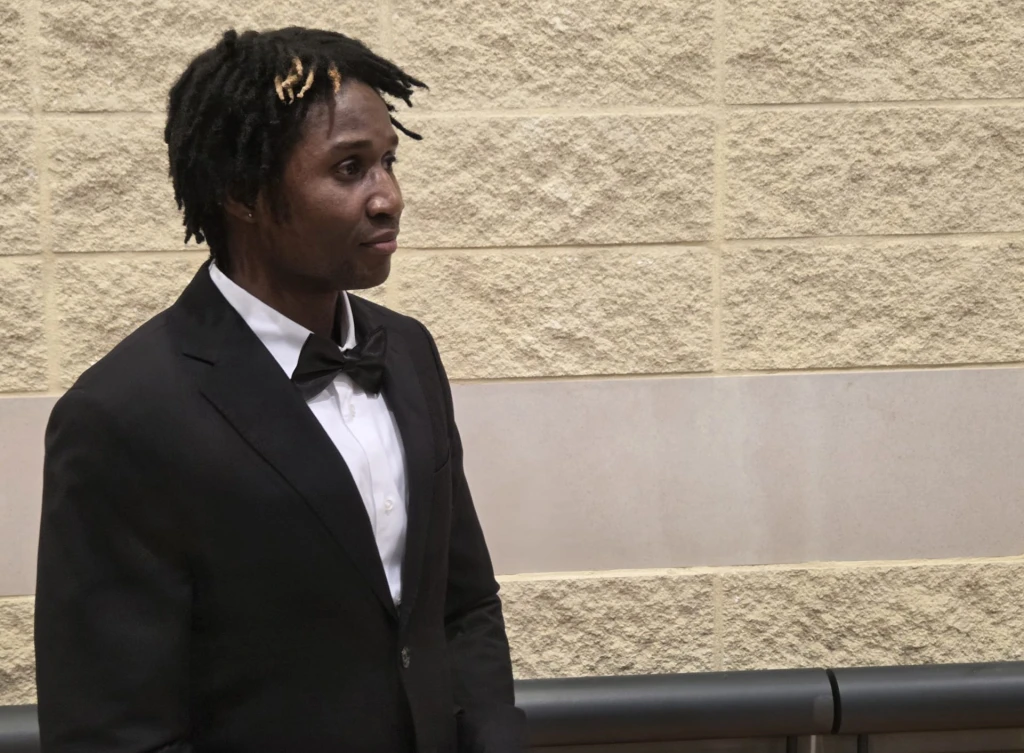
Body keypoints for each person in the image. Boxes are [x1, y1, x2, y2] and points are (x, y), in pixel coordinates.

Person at [34, 26, 525, 753]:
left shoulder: (409, 352)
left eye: (388, 162)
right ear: (242, 192)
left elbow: (463, 602)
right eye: (349, 168)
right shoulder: (122, 415)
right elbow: (111, 727)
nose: (388, 197)